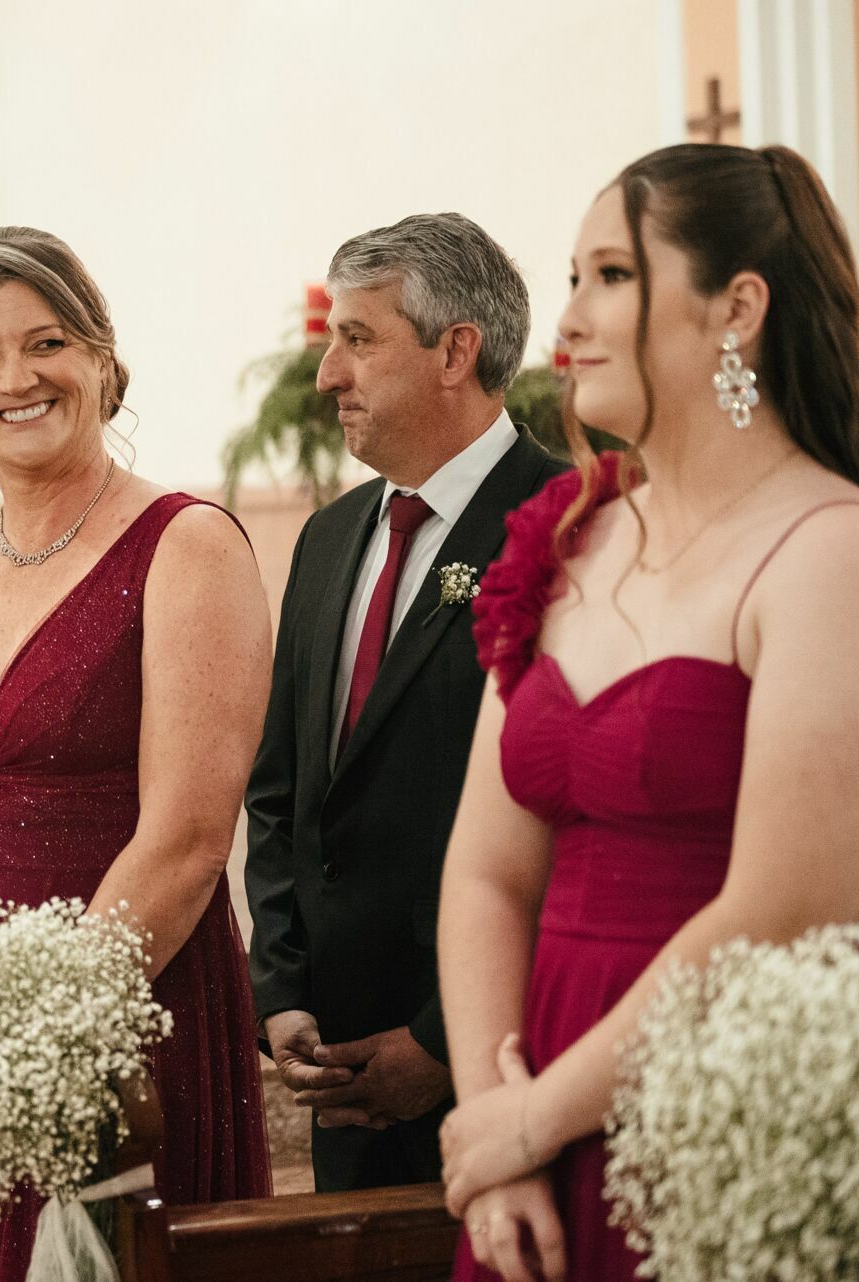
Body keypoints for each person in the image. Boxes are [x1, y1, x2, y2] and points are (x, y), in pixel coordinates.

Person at [438, 143, 859, 1282]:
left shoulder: (828, 551)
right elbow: (486, 871)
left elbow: (782, 904)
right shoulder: (566, 538)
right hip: (531, 1129)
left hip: (711, 1113)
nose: (566, 316)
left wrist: (541, 1117)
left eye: (610, 274)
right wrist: (499, 1130)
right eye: (572, 274)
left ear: (738, 307)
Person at [0, 225, 273, 1279]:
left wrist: (37, 1039)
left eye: (47, 344)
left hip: (124, 1026)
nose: (15, 378)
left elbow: (188, 836)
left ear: (104, 360)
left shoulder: (186, 545)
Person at [244, 214, 565, 1193]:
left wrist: (441, 1038)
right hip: (338, 1070)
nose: (329, 374)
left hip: (505, 1069)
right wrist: (282, 987)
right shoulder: (331, 538)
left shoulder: (567, 525)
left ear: (454, 350)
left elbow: (568, 813)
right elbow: (282, 789)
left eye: (359, 338)